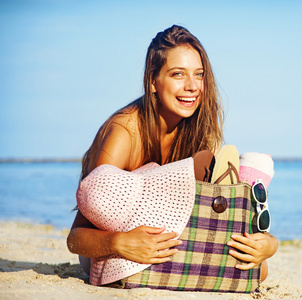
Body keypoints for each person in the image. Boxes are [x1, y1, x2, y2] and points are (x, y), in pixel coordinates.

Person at [67, 25, 278, 283]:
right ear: (154, 80)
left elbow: (213, 220)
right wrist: (120, 242)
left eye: (199, 75)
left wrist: (268, 244)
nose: (192, 86)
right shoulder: (125, 133)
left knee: (258, 268)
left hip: (170, 235)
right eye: (178, 74)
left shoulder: (201, 132)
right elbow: (76, 238)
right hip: (112, 247)